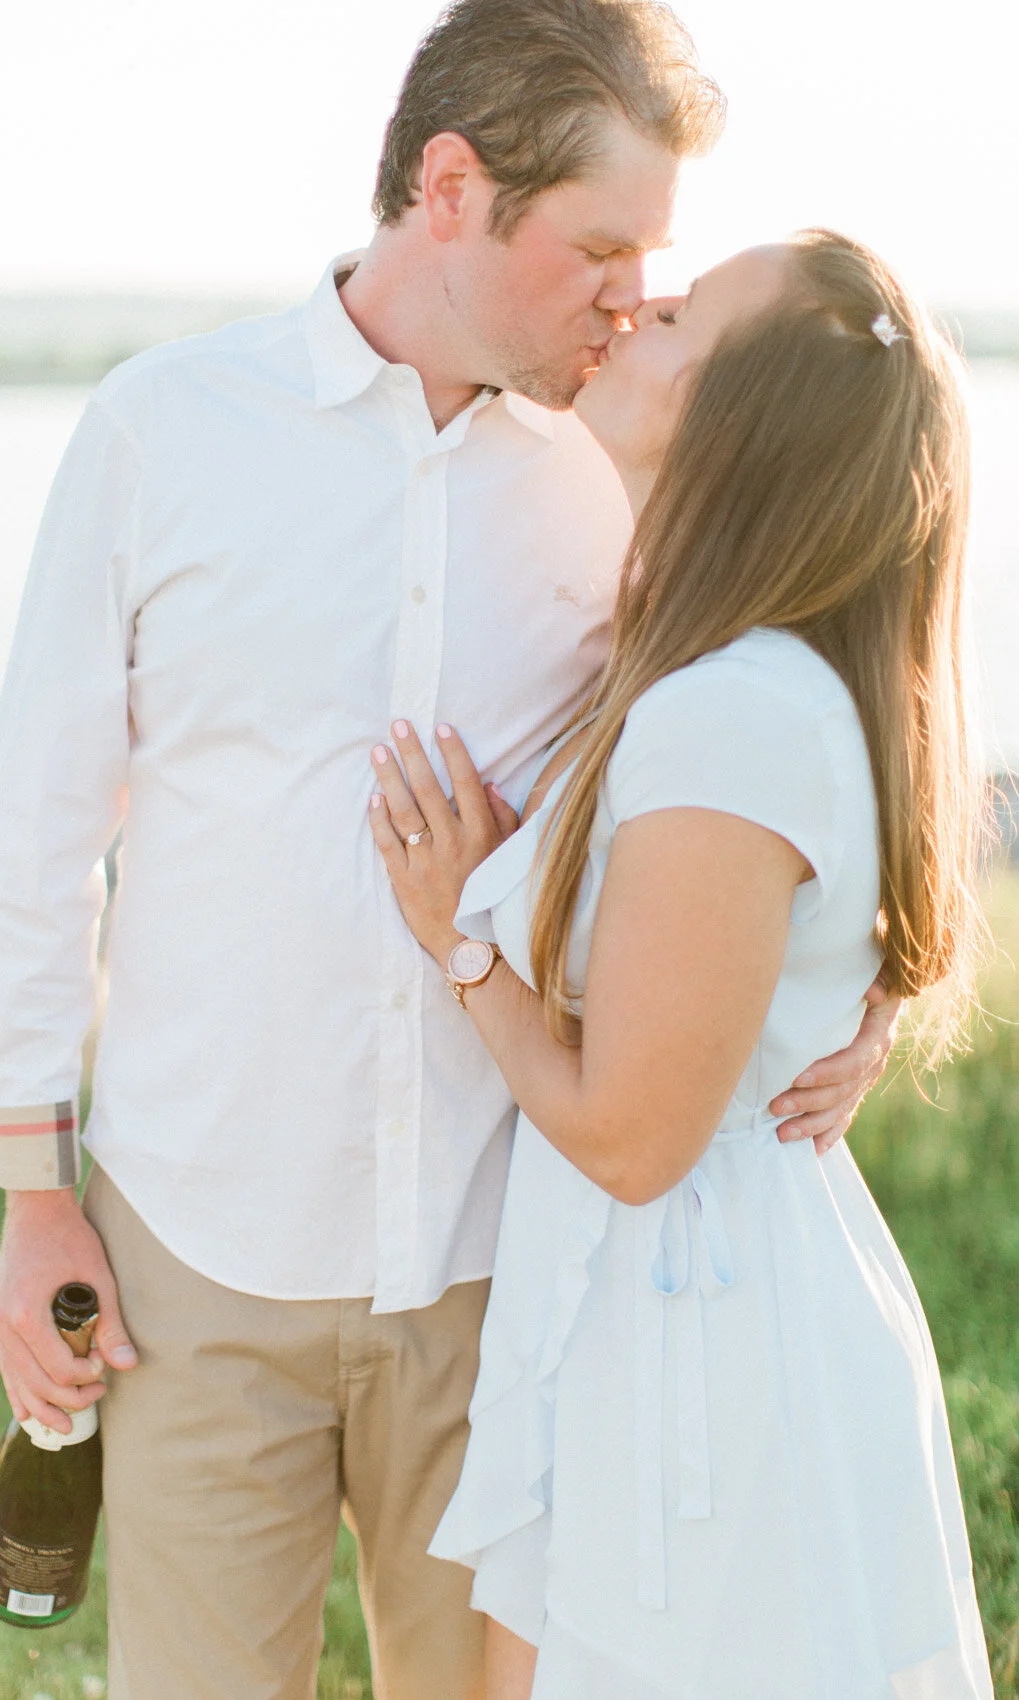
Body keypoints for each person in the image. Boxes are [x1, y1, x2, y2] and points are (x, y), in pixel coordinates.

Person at [0, 4, 899, 1694]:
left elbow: (824, 700)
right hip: (198, 1254)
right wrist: (32, 1188)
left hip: (497, 1264)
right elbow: (35, 828)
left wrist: (869, 980)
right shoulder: (164, 431)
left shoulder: (634, 462)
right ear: (449, 188)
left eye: (650, 263)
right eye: (598, 247)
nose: (627, 298)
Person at [367, 230, 992, 1698]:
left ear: (740, 419)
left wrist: (461, 939)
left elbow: (632, 1137)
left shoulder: (731, 713)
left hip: (696, 1349)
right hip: (663, 1309)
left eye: (680, 314)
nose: (635, 305)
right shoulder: (726, 673)